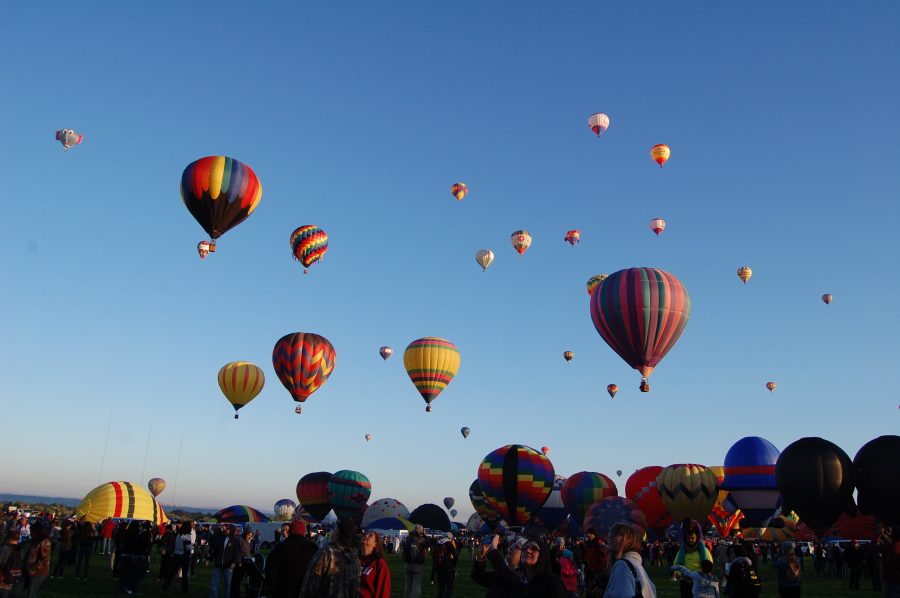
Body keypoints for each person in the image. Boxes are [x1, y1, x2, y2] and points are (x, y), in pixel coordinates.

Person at [299, 518, 361, 597]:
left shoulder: (326, 553)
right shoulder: (355, 558)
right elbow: (356, 589)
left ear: (337, 532)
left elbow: (310, 585)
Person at [265, 519, 317, 598]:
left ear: (291, 531)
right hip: (305, 592)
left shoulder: (280, 548)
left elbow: (270, 572)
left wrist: (273, 591)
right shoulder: (313, 549)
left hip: (283, 592)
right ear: (304, 532)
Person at [604, 523, 657, 598]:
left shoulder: (623, 566)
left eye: (616, 534)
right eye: (611, 533)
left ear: (628, 540)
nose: (610, 537)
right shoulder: (634, 563)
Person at [673, 520, 714, 598]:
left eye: (692, 538)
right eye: (688, 538)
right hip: (685, 582)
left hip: (699, 582)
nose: (690, 540)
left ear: (697, 537)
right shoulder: (682, 550)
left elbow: (709, 564)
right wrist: (680, 574)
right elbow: (676, 564)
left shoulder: (704, 551)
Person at [209, 525, 241, 598]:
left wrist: (234, 562)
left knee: (227, 584)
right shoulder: (221, 538)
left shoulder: (235, 540)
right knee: (214, 584)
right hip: (218, 565)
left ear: (232, 530)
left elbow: (237, 553)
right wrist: (210, 559)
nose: (226, 530)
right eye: (226, 528)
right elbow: (216, 551)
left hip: (228, 566)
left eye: (228, 529)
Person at [162, 521, 194, 593]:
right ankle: (185, 589)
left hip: (177, 555)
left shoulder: (178, 534)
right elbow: (188, 547)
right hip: (184, 556)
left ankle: (165, 587)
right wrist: (192, 548)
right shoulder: (187, 535)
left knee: (172, 573)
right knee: (185, 574)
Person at [359, 530, 391, 598]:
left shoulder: (379, 563)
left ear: (375, 544)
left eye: (370, 535)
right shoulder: (354, 559)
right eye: (365, 534)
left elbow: (383, 590)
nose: (366, 535)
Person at [24, 520, 51, 598]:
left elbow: (44, 558)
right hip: (30, 570)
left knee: (32, 592)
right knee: (29, 590)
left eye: (32, 532)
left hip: (38, 571)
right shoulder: (35, 540)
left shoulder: (45, 541)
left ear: (37, 532)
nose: (31, 534)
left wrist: (33, 569)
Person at [402, 524, 428, 598]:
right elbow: (428, 544)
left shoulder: (408, 538)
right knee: (416, 586)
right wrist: (424, 535)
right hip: (417, 564)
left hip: (408, 564)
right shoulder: (422, 540)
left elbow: (405, 549)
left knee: (408, 585)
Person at [583, 527, 610, 595]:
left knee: (595, 591)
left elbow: (603, 559)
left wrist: (598, 571)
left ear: (593, 534)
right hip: (589, 570)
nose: (588, 535)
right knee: (588, 590)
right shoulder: (588, 544)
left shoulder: (598, 543)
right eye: (587, 533)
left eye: (590, 533)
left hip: (596, 572)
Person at [230, 528, 253, 598]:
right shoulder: (240, 539)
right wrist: (238, 561)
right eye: (249, 535)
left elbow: (247, 552)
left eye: (251, 535)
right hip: (239, 563)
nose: (250, 536)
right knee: (236, 581)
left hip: (245, 563)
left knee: (239, 580)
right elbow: (237, 551)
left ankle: (237, 594)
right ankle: (234, 594)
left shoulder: (247, 541)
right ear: (246, 534)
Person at [0, 530, 24, 597]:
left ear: (9, 538)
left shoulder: (5, 548)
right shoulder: (20, 549)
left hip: (2, 576)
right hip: (12, 577)